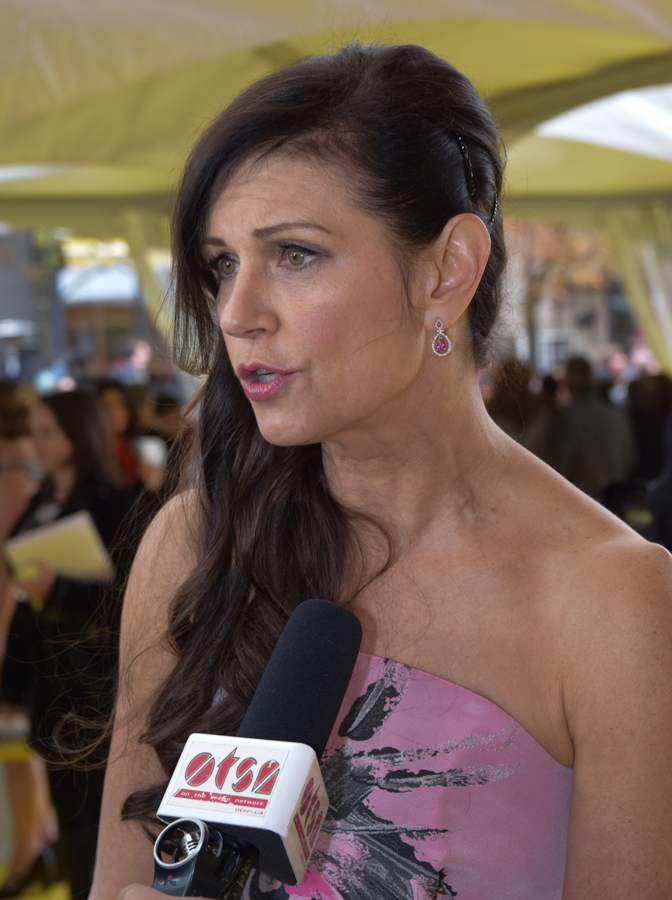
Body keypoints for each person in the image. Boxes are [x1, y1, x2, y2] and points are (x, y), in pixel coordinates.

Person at [91, 44, 672, 900]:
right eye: (223, 264)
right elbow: (116, 881)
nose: (239, 314)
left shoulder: (615, 603)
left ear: (448, 269)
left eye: (294, 254)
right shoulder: (197, 544)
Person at [0, 391, 137, 899]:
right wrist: (11, 681)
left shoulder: (114, 501)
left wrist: (57, 587)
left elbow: (130, 594)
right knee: (64, 801)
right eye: (33, 431)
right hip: (49, 675)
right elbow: (24, 598)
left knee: (98, 807)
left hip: (94, 676)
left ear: (78, 437)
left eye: (47, 433)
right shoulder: (41, 500)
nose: (34, 444)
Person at [548, 355, 636, 501]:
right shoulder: (616, 414)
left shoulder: (566, 418)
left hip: (582, 504)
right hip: (616, 502)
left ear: (566, 381)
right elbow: (630, 459)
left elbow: (559, 468)